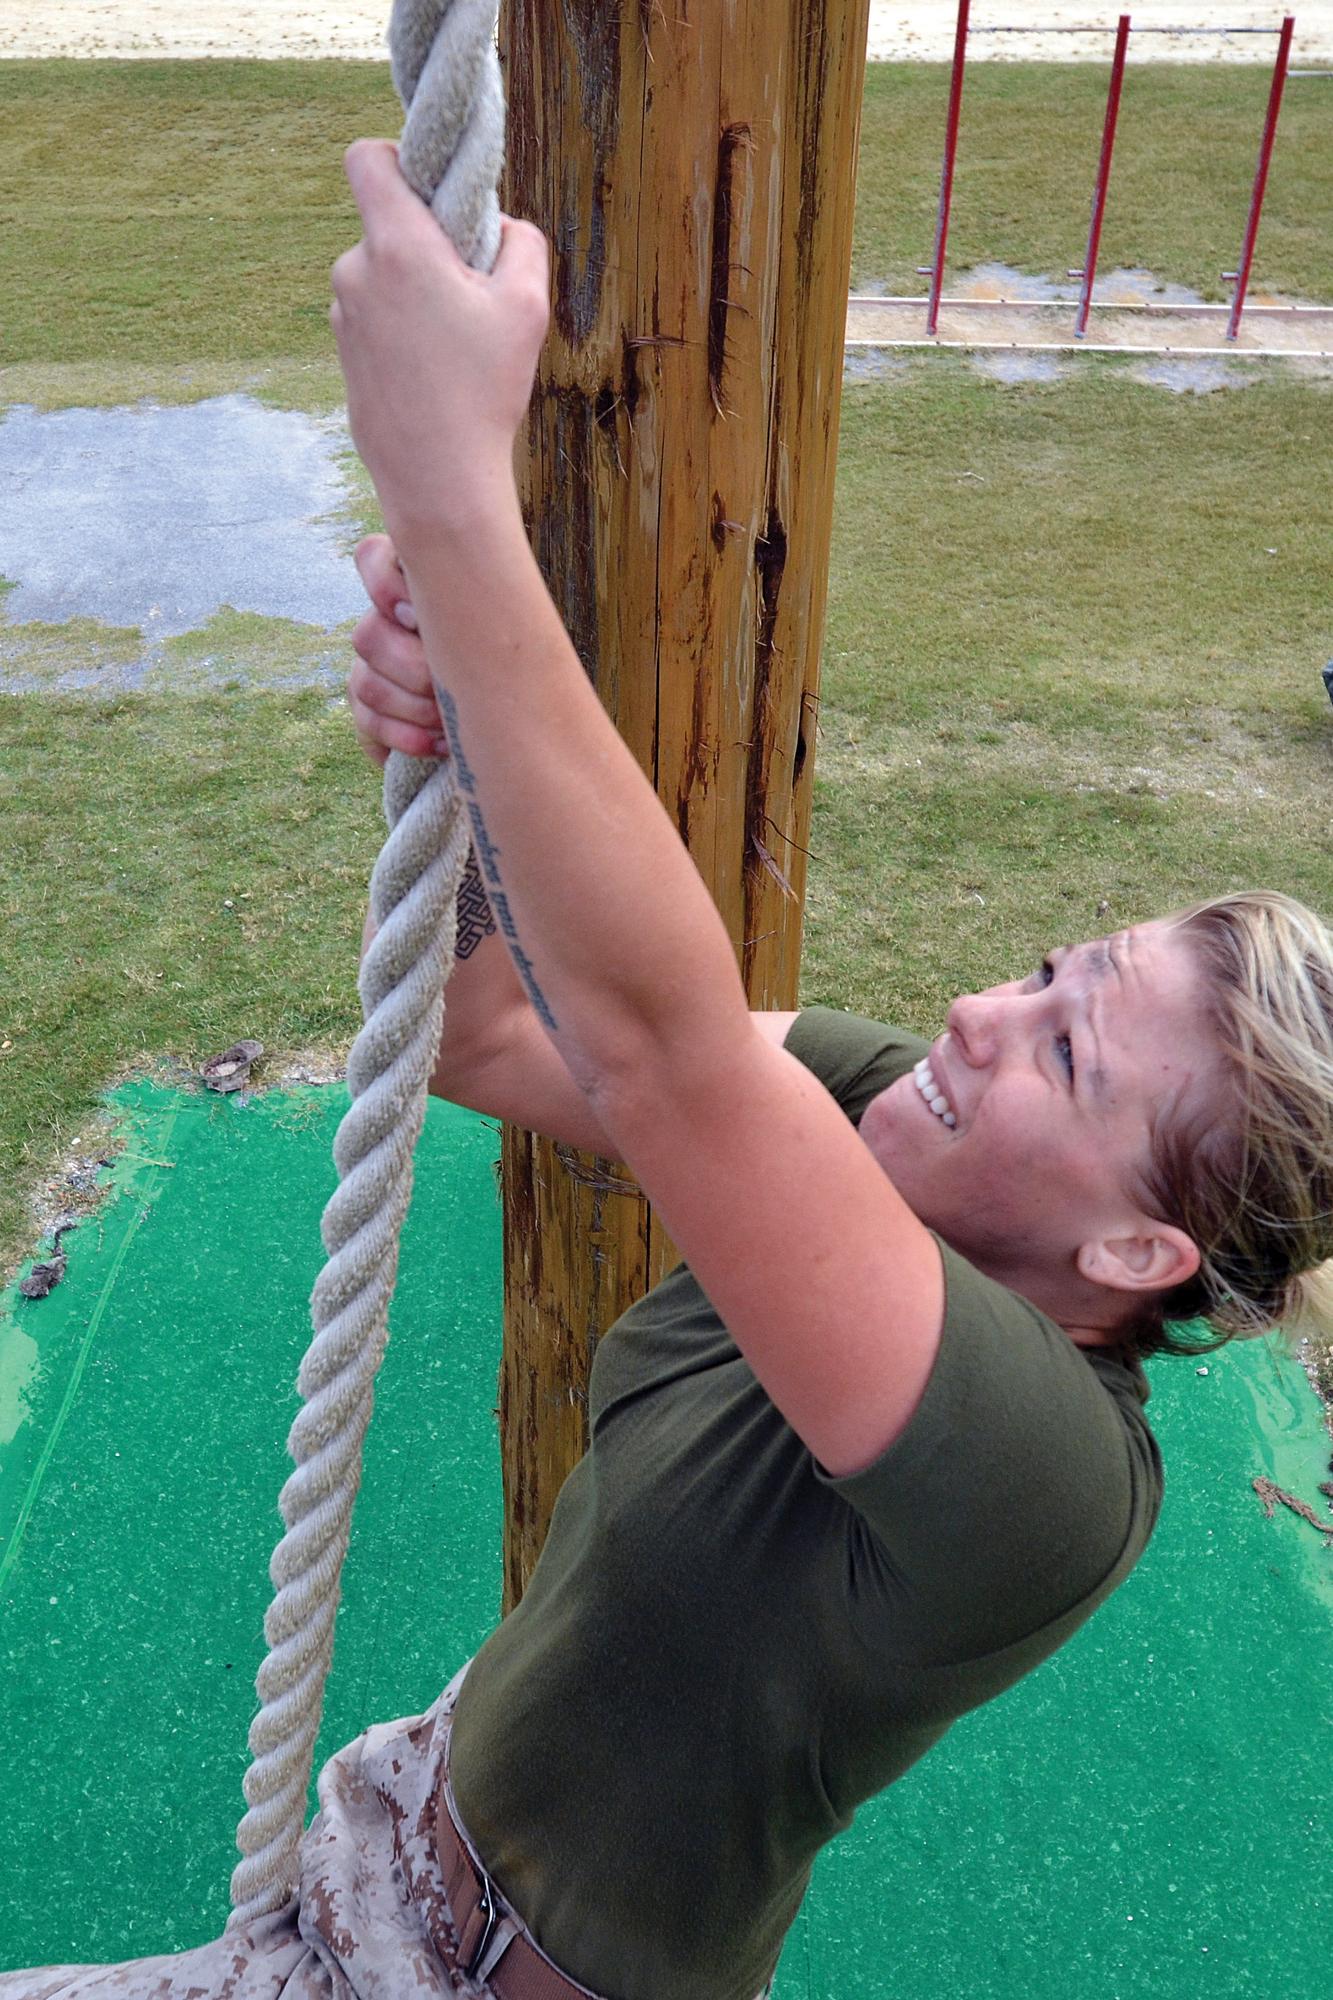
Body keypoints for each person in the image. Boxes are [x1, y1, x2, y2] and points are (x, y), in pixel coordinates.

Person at [6, 140, 1332, 2000]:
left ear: (1136, 1255)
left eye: (1063, 1048)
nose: (978, 1012)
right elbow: (501, 1040)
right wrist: (458, 752)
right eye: (1047, 968)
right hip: (385, 1839)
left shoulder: (1040, 1479)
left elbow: (659, 1049)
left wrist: (455, 502)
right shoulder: (889, 1123)